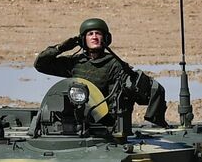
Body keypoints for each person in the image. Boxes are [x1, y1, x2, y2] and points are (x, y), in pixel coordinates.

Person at [34, 17, 169, 127]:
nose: (94, 37)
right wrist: (60, 48)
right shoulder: (76, 62)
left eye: (98, 33)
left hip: (104, 122)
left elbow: (127, 94)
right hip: (78, 119)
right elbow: (41, 65)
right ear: (83, 39)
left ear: (105, 38)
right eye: (90, 34)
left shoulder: (114, 64)